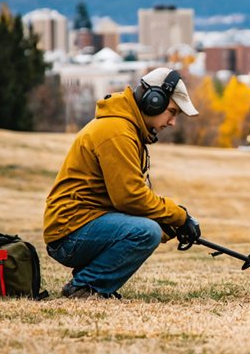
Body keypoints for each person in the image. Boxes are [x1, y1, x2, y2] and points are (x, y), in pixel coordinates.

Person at [43, 67, 202, 298]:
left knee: (149, 229)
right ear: (153, 101)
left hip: (80, 227)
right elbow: (130, 197)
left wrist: (169, 225)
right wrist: (179, 216)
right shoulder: (117, 132)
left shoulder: (126, 129)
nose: (173, 122)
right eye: (172, 111)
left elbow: (129, 201)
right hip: (69, 235)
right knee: (146, 232)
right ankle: (86, 287)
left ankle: (87, 280)